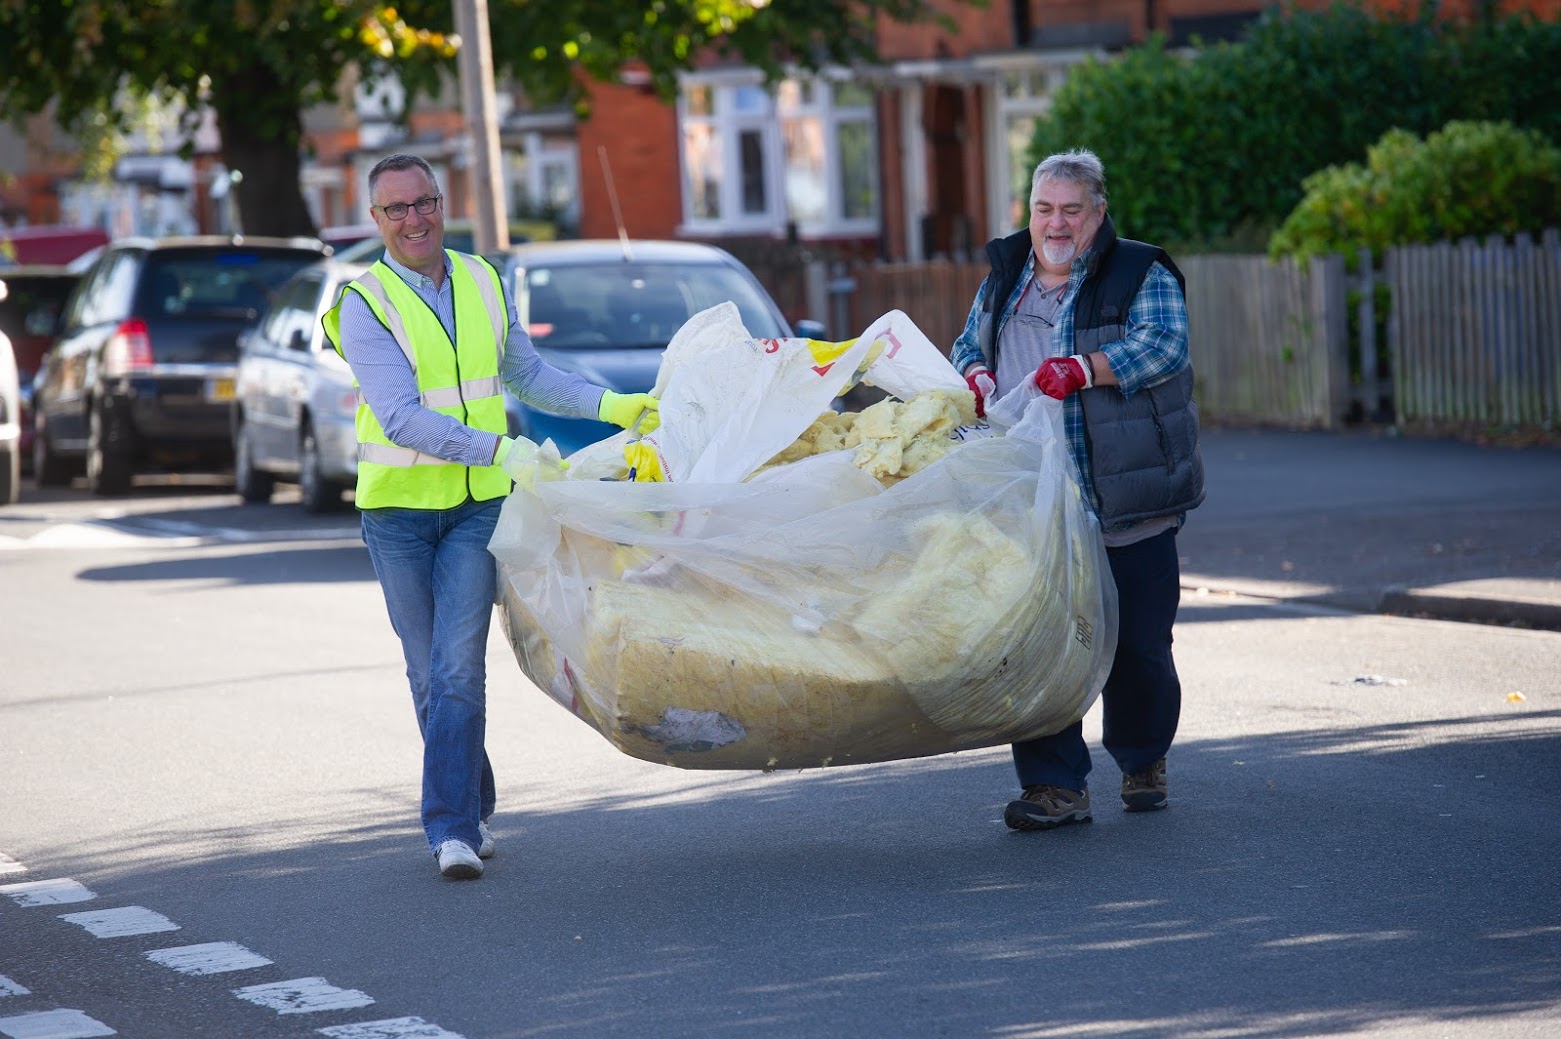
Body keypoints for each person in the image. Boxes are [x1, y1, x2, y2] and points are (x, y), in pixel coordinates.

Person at [323, 153, 658, 879]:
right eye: (397, 209)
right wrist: (502, 450)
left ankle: (450, 830)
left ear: (443, 204)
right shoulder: (363, 304)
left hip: (478, 508)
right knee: (426, 671)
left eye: (425, 202)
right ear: (375, 221)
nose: (415, 219)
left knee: (456, 666)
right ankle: (471, 800)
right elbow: (403, 419)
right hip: (399, 513)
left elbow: (527, 374)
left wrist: (612, 405)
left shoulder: (481, 278)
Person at [949, 149, 1204, 831]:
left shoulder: (1138, 271)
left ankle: (1142, 755)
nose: (1054, 223)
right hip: (1030, 503)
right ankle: (1053, 786)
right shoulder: (1005, 276)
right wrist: (972, 375)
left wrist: (1086, 367)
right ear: (1027, 213)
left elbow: (1164, 345)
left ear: (1097, 212)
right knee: (1036, 645)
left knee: (1139, 647)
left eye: (1070, 210)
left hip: (1124, 499)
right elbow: (965, 344)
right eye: (1042, 209)